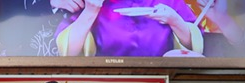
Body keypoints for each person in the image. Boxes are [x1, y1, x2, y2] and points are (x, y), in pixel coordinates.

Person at [53, 0, 203, 57]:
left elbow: (196, 49)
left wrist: (174, 20)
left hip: (165, 80)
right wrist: (90, 11)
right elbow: (68, 53)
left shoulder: (170, 1)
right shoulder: (94, 2)